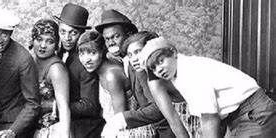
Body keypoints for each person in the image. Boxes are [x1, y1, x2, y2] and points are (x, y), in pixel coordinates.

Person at [139, 37, 276, 137]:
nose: (159, 69)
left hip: (254, 112)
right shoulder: (179, 72)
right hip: (238, 115)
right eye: (154, 68)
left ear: (173, 52)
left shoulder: (190, 73)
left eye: (161, 61)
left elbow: (210, 118)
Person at [77, 30, 155, 137]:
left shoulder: (112, 76)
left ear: (103, 51)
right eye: (82, 54)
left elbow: (120, 120)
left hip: (133, 132)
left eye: (92, 53)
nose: (86, 59)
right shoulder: (105, 65)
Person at [0, 8, 40, 138]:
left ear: (11, 33)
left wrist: (12, 131)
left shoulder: (23, 59)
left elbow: (32, 104)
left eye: (4, 35)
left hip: (11, 124)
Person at [116, 31, 186, 137]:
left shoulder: (166, 71)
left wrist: (124, 118)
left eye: (138, 52)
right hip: (163, 128)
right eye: (130, 55)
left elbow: (158, 109)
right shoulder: (139, 71)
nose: (134, 59)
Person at [53, 3, 105, 138]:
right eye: (62, 32)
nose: (67, 38)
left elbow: (90, 106)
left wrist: (53, 107)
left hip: (86, 129)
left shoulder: (85, 62)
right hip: (65, 122)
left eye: (73, 33)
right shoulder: (58, 54)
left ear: (82, 34)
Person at [29, 19, 71, 138]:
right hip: (30, 128)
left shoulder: (56, 69)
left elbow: (64, 108)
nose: (43, 46)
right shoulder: (30, 62)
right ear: (32, 40)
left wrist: (65, 136)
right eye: (39, 39)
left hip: (51, 130)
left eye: (50, 41)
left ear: (57, 44)